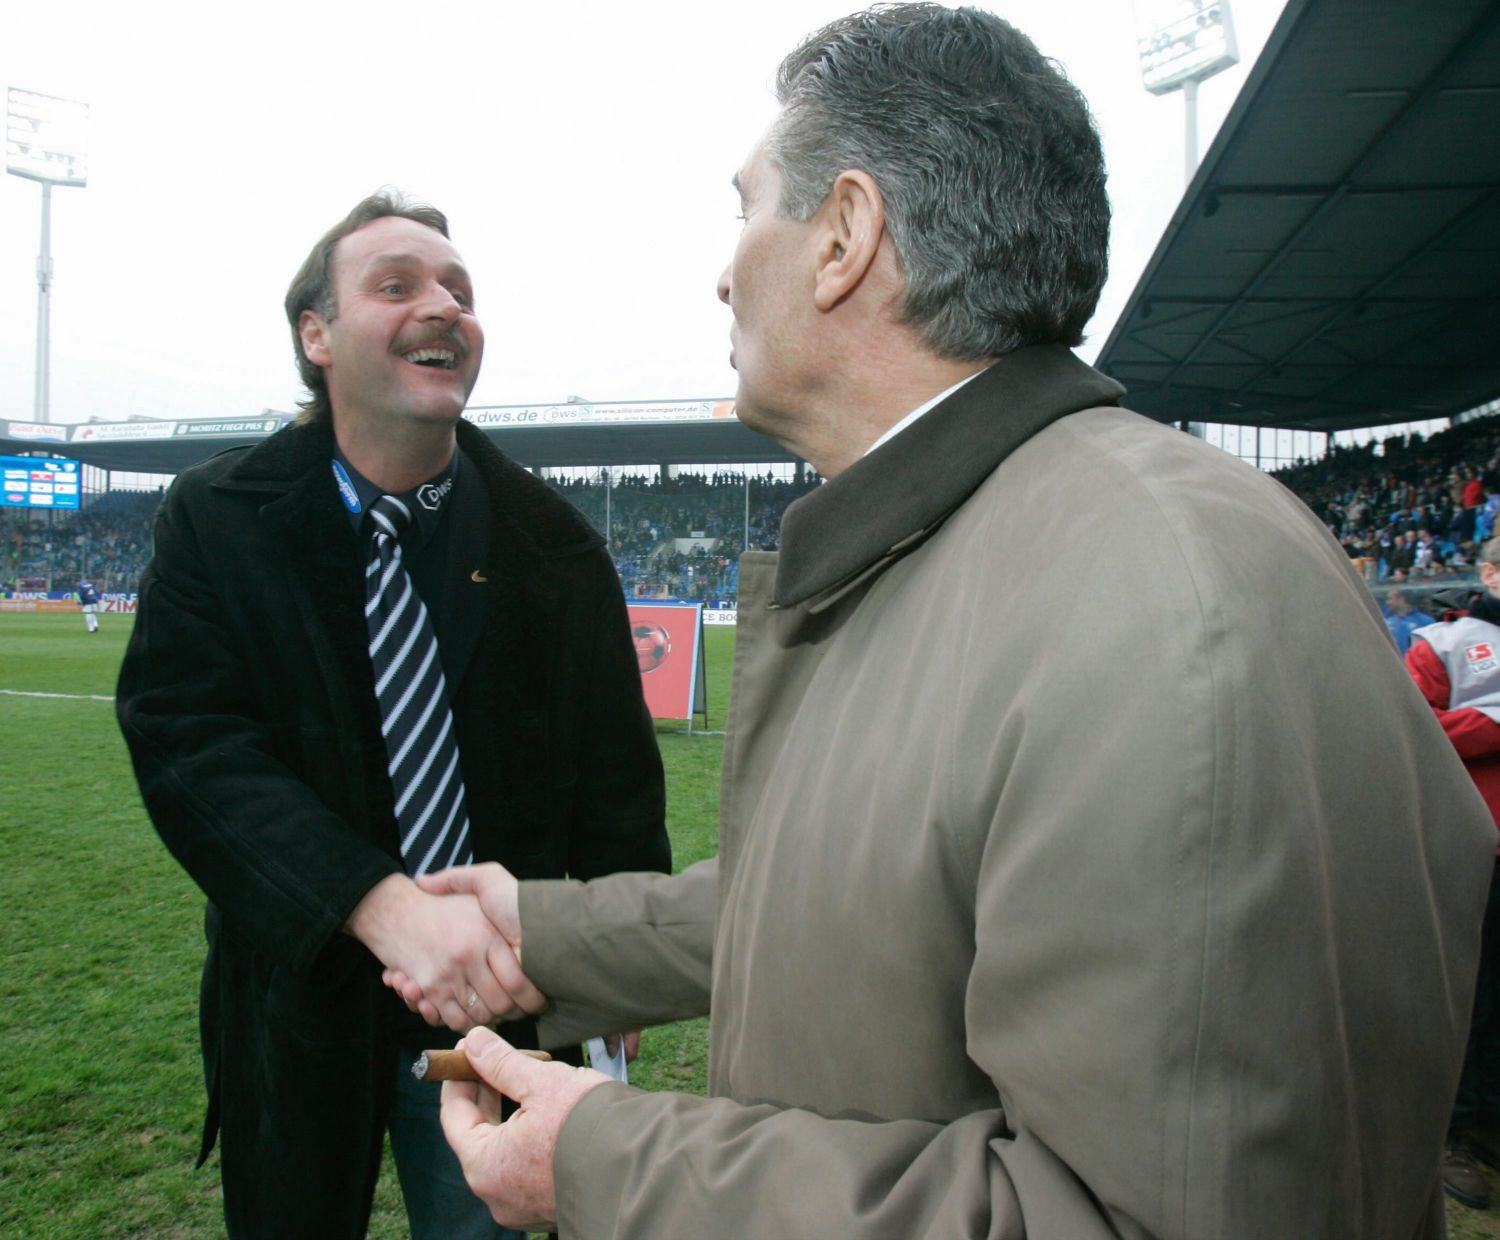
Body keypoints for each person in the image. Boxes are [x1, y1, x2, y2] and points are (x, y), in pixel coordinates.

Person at [394, 6, 1492, 1236]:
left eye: (747, 205)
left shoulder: (1158, 606)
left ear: (846, 237)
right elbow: (869, 899)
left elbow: (1135, 1216)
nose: (721, 267)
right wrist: (540, 929)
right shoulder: (980, 541)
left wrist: (609, 1161)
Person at [115, 192, 669, 1240]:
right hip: (299, 990)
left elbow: (615, 778)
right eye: (398, 283)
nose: (443, 305)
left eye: (460, 289)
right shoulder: (216, 519)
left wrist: (617, 962)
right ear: (315, 335)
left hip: (497, 1007)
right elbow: (191, 747)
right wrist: (375, 903)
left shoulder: (554, 543)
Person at [1407, 542, 1500, 1210]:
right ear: (1490, 573)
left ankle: (1488, 1119)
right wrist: (1492, 726)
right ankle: (1448, 1134)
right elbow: (1410, 727)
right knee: (1469, 995)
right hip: (1478, 846)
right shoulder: (1446, 642)